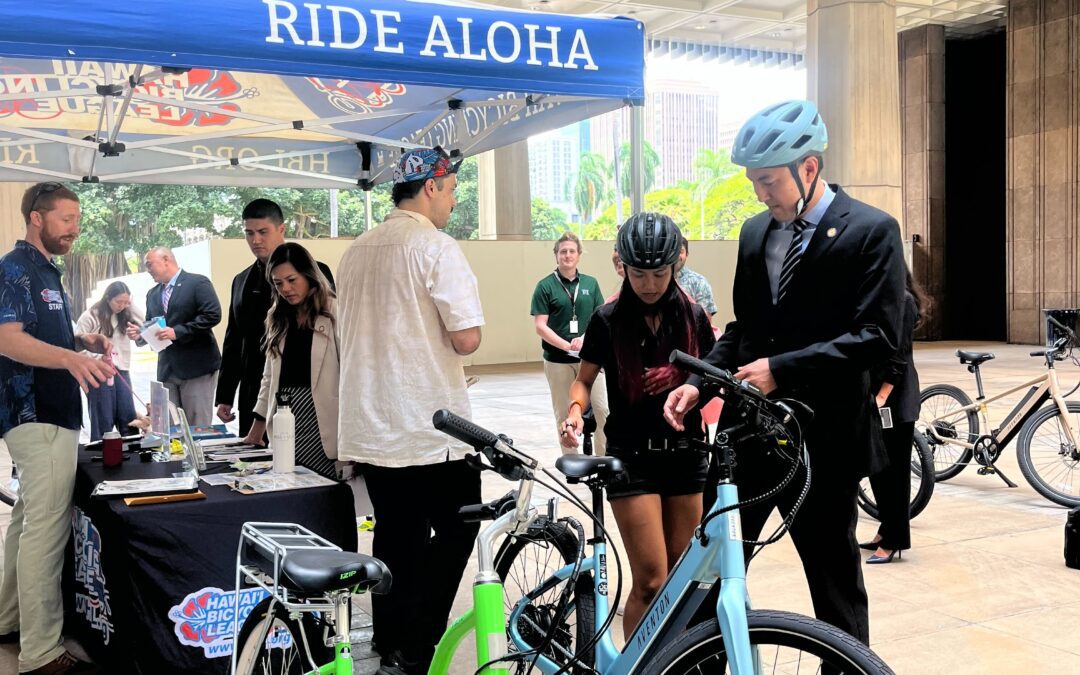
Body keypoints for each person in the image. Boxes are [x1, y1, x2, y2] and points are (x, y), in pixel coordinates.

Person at [663, 99, 906, 644]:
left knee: (835, 585)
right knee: (707, 579)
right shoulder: (755, 233)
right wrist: (699, 383)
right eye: (754, 182)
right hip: (746, 438)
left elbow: (878, 338)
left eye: (769, 181)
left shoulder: (872, 231)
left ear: (810, 167)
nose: (760, 194)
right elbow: (742, 331)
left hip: (823, 443)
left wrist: (781, 368)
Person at [336, 146, 484, 675]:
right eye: (450, 190)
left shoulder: (357, 249)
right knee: (460, 526)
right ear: (430, 188)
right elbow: (466, 339)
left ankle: (389, 639)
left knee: (395, 534)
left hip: (373, 423)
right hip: (429, 425)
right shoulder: (435, 246)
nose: (452, 200)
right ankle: (420, 643)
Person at [561, 213, 715, 634]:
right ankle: (637, 665)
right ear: (621, 266)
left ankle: (674, 661)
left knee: (684, 582)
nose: (649, 283)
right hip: (631, 459)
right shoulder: (606, 320)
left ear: (675, 266)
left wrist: (686, 378)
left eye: (660, 273)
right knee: (651, 579)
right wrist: (575, 412)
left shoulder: (695, 317)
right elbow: (583, 380)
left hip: (688, 456)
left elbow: (715, 376)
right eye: (640, 273)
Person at [0, 182, 114, 674]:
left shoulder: (45, 269)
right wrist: (70, 357)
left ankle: (8, 620)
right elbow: (8, 340)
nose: (75, 228)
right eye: (66, 218)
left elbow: (39, 334)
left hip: (54, 413)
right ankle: (41, 653)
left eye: (76, 219)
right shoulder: (15, 268)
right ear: (36, 219)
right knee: (45, 530)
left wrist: (77, 339)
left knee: (28, 522)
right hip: (36, 414)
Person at [215, 199, 334, 438]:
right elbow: (233, 339)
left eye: (262, 232)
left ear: (281, 229)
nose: (255, 240)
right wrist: (225, 395)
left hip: (304, 390)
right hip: (255, 389)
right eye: (249, 233)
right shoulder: (241, 281)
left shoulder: (316, 273)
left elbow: (333, 336)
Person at [241, 243, 339, 479]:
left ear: (309, 275)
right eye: (278, 283)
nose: (285, 288)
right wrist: (257, 429)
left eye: (292, 280)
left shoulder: (335, 310)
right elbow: (269, 377)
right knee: (289, 484)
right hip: (285, 414)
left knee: (323, 489)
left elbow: (353, 373)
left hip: (322, 417)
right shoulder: (277, 316)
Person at [862, 271, 926, 564]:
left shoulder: (903, 300)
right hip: (876, 395)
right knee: (878, 468)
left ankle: (895, 539)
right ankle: (885, 530)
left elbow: (900, 355)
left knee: (895, 473)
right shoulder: (879, 298)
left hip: (894, 399)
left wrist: (882, 395)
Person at [530, 232, 609, 455]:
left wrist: (584, 339)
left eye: (572, 251)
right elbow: (540, 326)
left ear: (579, 256)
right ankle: (572, 460)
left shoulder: (591, 284)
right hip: (558, 362)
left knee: (603, 409)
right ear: (556, 256)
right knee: (564, 413)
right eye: (563, 251)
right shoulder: (545, 286)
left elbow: (599, 319)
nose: (567, 255)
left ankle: (604, 459)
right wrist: (566, 345)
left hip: (590, 359)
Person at [128, 247, 222, 426]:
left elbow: (212, 315)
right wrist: (140, 334)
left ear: (166, 260)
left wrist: (177, 332)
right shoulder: (153, 294)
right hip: (167, 370)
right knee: (169, 427)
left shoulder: (197, 283)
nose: (147, 270)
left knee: (197, 425)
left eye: (149, 264)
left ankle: (199, 454)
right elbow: (152, 324)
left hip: (197, 368)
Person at [76, 281, 144, 441]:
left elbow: (144, 322)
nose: (121, 306)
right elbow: (78, 343)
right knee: (103, 417)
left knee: (128, 415)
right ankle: (100, 451)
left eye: (126, 302)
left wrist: (131, 305)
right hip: (98, 371)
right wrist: (97, 359)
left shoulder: (126, 314)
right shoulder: (91, 315)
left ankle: (131, 453)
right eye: (118, 302)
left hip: (121, 370)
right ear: (107, 298)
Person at [675, 237, 717, 317]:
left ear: (687, 254)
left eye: (680, 251)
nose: (676, 255)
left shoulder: (699, 282)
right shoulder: (656, 281)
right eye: (672, 251)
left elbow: (705, 321)